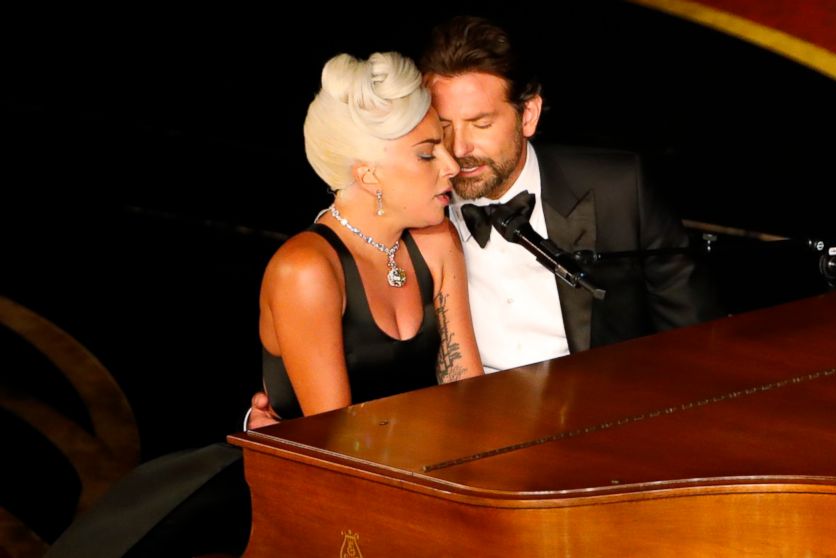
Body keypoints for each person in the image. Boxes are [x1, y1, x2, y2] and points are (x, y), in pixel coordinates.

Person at [47, 51, 482, 557]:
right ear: (368, 175)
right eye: (427, 154)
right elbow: (342, 448)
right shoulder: (307, 270)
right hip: (317, 503)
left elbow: (470, 398)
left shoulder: (437, 242)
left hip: (419, 485)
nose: (451, 165)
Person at [246, 15, 720, 424]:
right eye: (441, 131)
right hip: (454, 446)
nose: (457, 152)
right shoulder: (414, 219)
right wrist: (281, 425)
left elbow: (698, 346)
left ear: (528, 115)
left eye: (481, 123)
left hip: (597, 433)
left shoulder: (618, 188)